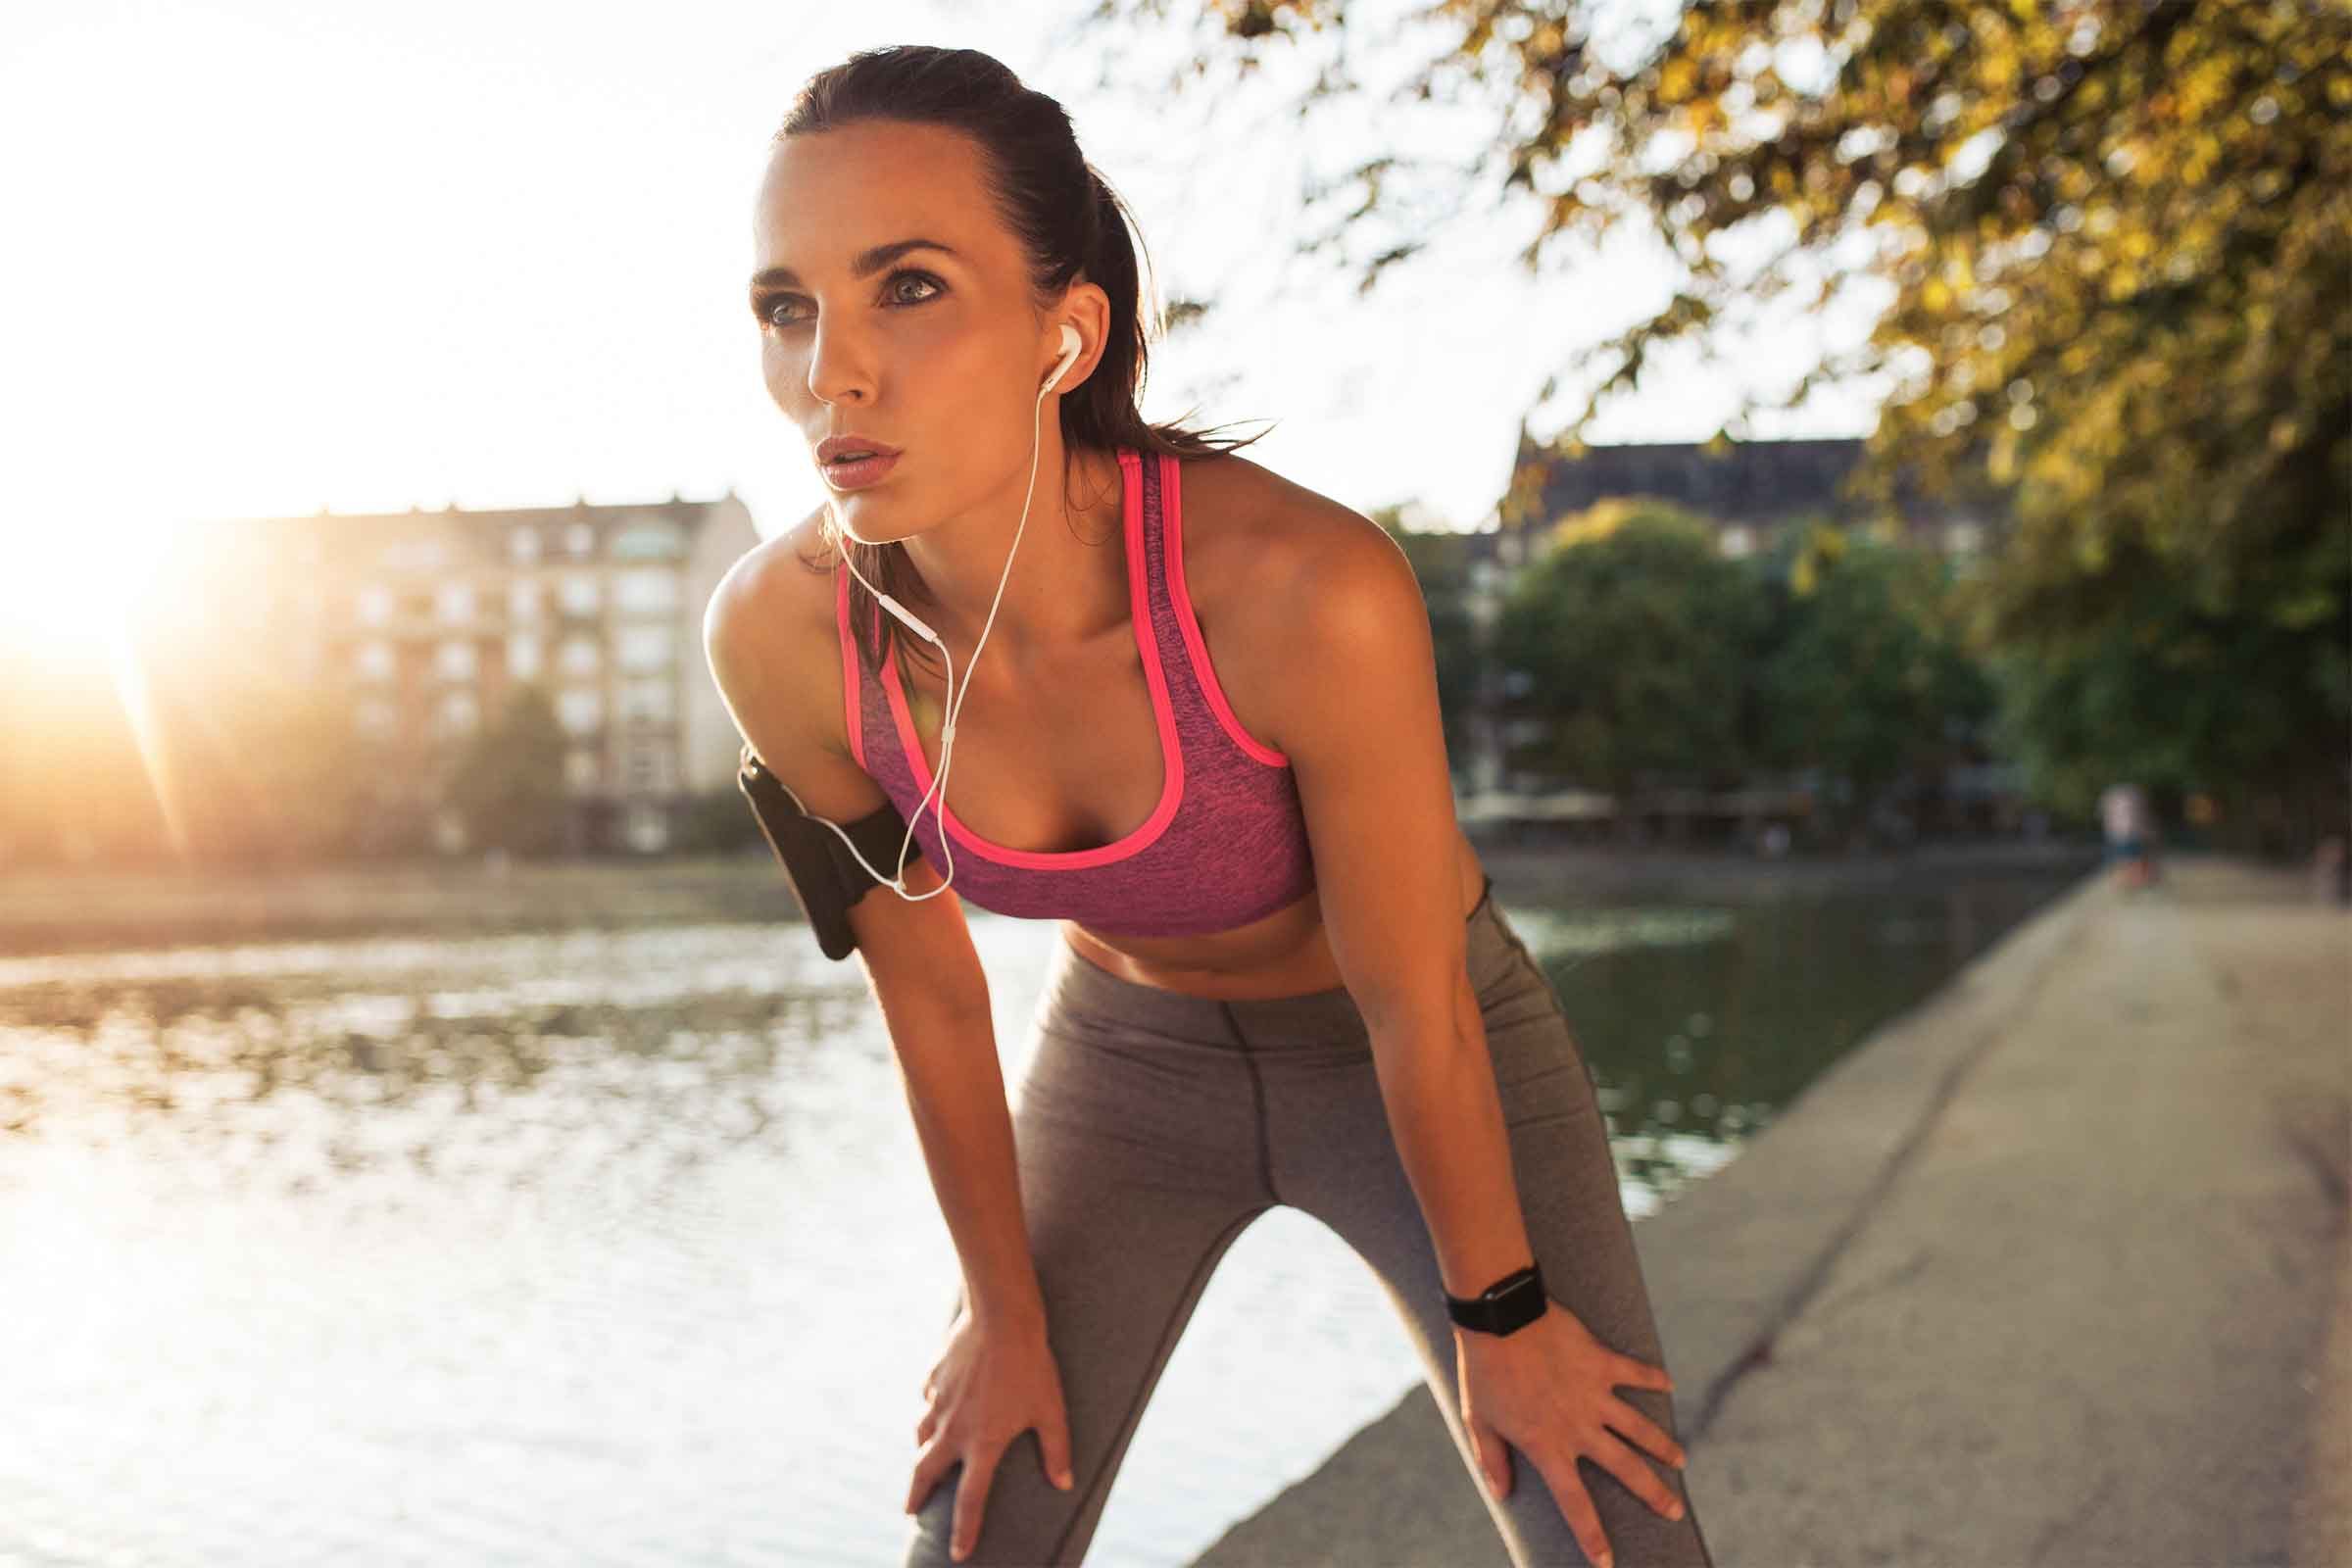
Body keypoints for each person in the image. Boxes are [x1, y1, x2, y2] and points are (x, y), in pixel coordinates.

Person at [703, 44, 1714, 1568]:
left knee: (1608, 1527)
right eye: (789, 308)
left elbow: (1414, 1003)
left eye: (907, 286)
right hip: (1121, 1065)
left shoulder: (1307, 591)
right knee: (974, 1525)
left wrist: (1500, 1314)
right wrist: (1001, 1312)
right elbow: (932, 1003)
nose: (829, 372)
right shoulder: (778, 638)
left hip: (1416, 1040)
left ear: (1065, 332)